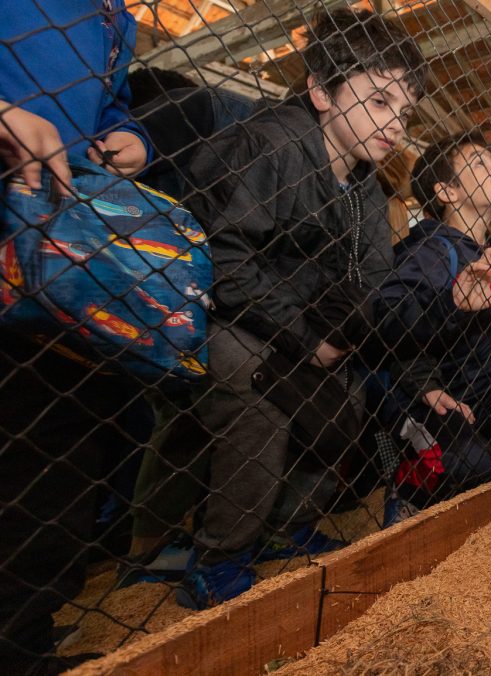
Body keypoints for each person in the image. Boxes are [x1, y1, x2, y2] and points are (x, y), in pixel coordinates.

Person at [172, 7, 430, 609]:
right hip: (225, 315)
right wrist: (305, 338)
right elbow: (228, 257)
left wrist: (342, 338)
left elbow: (372, 281)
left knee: (350, 395)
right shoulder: (274, 143)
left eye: (404, 111)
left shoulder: (367, 183)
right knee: (260, 394)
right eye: (378, 101)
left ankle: (282, 527)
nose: (394, 124)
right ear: (320, 90)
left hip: (305, 324)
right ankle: (218, 559)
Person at [0, 1, 151, 672]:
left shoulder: (115, 17)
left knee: (56, 450)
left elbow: (109, 107)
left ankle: (20, 637)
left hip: (56, 265)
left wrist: (131, 137)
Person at [374, 134, 491, 522]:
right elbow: (386, 321)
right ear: (447, 191)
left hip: (484, 392)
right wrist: (450, 303)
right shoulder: (429, 252)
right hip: (432, 397)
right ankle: (409, 484)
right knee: (473, 462)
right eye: (479, 163)